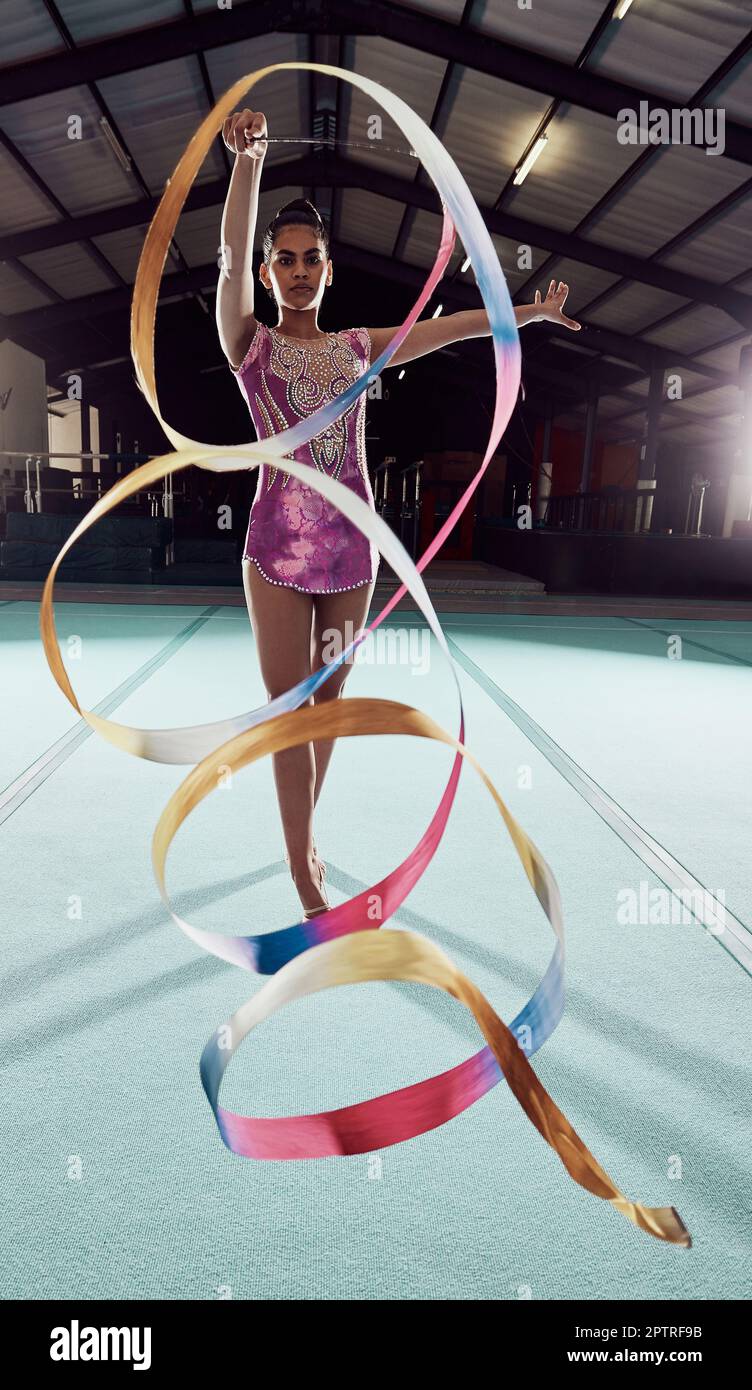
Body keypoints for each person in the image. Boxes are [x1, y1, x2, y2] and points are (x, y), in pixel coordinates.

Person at [216, 108, 581, 921]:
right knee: (287, 710)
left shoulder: (354, 347)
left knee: (330, 709)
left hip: (353, 551)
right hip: (276, 548)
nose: (299, 271)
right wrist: (249, 164)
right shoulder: (249, 345)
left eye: (312, 259)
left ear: (330, 270)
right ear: (270, 273)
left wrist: (525, 316)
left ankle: (307, 830)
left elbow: (449, 329)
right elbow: (227, 261)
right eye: (286, 261)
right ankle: (302, 871)